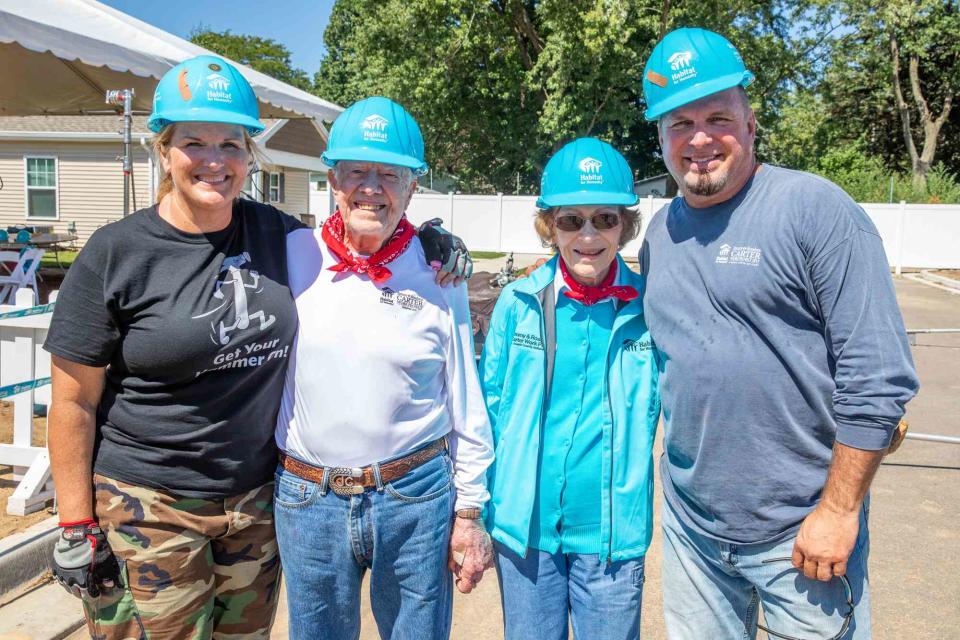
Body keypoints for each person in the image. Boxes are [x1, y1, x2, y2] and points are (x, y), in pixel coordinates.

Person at [44, 57, 471, 639]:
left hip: (252, 505)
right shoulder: (116, 253)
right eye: (194, 142)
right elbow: (72, 403)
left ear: (250, 157)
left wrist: (430, 240)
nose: (214, 160)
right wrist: (74, 523)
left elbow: (365, 228)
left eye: (232, 144)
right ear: (164, 151)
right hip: (151, 503)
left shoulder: (277, 235)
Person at [638, 28, 919, 639]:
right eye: (679, 123)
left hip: (802, 533)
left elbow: (878, 376)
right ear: (660, 136)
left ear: (751, 122)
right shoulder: (659, 236)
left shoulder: (815, 211)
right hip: (694, 535)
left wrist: (840, 511)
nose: (700, 139)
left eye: (718, 116)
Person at [273, 96, 495, 640]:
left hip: (413, 499)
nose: (371, 187)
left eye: (390, 174)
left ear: (413, 187)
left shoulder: (440, 271)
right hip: (308, 499)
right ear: (332, 178)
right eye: (356, 172)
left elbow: (464, 395)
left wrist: (469, 512)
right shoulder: (290, 253)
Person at [480, 138, 660, 640]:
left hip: (611, 536)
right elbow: (487, 411)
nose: (588, 235)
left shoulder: (650, 308)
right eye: (570, 220)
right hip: (526, 531)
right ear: (549, 227)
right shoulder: (517, 303)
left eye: (604, 218)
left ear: (624, 226)